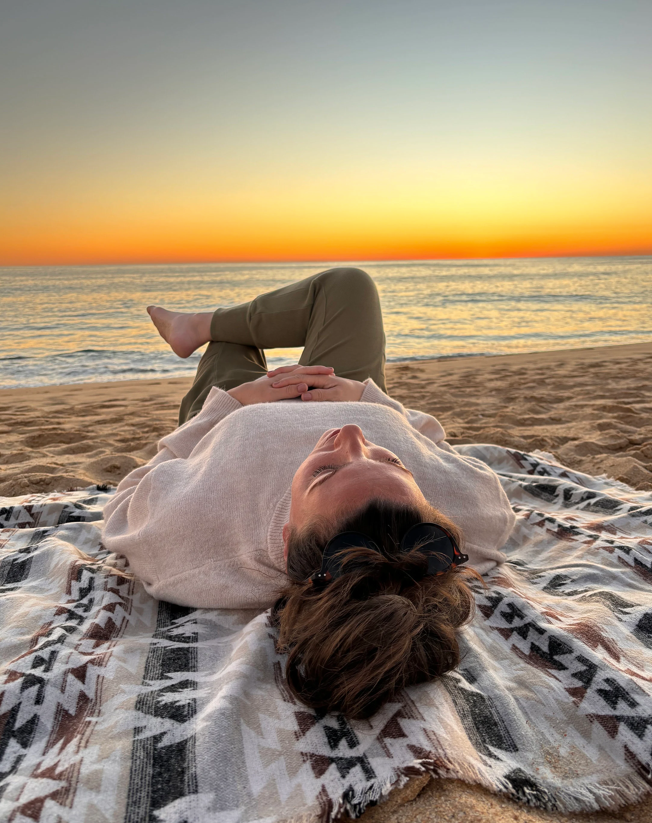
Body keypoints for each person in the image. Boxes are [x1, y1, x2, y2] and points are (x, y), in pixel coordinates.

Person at [102, 268, 515, 719]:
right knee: (349, 285)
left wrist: (228, 405)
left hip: (240, 410)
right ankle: (197, 326)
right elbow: (441, 449)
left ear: (287, 540)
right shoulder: (455, 523)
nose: (351, 434)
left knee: (229, 345)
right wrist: (372, 402)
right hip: (343, 387)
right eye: (391, 461)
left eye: (325, 472)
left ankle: (198, 330)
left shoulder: (197, 549)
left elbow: (125, 503)